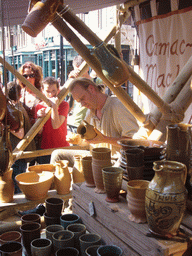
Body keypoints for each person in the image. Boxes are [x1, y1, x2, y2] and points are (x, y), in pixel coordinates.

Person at [50, 77, 139, 166]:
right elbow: (87, 141)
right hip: (95, 157)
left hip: (114, 160)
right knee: (57, 155)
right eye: (79, 101)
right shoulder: (90, 111)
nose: (82, 104)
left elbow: (135, 143)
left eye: (82, 98)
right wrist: (78, 140)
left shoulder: (117, 106)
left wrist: (105, 139)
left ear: (91, 89)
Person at [7, 81, 36, 193]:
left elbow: (20, 134)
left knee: (17, 185)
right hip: (18, 153)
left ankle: (23, 210)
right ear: (19, 95)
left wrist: (6, 127)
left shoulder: (16, 111)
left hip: (18, 153)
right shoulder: (17, 108)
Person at [35, 76, 70, 164]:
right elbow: (39, 132)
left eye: (53, 91)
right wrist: (38, 118)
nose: (51, 94)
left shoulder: (63, 105)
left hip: (62, 146)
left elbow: (56, 125)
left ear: (58, 89)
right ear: (42, 90)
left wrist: (54, 106)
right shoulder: (39, 106)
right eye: (47, 91)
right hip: (45, 148)